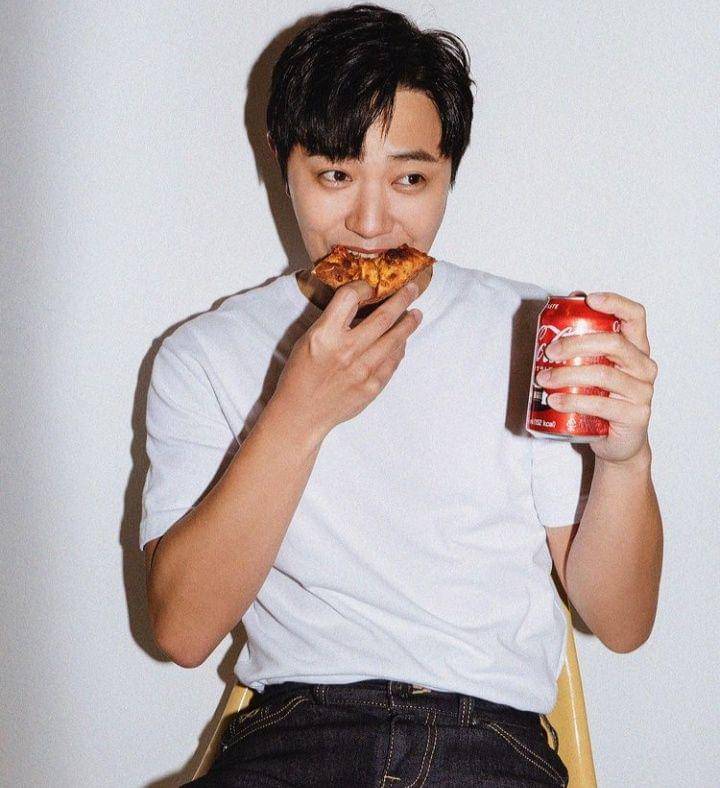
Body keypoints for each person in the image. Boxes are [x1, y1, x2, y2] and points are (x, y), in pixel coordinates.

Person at [140, 5, 663, 786]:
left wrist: (625, 463)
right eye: (336, 175)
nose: (371, 221)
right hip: (294, 731)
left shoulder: (532, 333)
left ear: (449, 173)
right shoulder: (205, 355)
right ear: (284, 163)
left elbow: (619, 624)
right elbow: (182, 633)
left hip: (488, 738)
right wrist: (298, 415)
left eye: (410, 178)